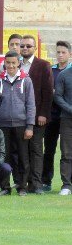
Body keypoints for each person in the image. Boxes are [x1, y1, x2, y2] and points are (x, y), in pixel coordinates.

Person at [0, 51, 35, 196]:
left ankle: (22, 186)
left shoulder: (26, 80)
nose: (10, 65)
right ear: (4, 63)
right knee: (5, 157)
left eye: (13, 63)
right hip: (3, 125)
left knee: (23, 157)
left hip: (21, 124)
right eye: (8, 62)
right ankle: (5, 187)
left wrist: (30, 125)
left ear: (19, 63)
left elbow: (30, 104)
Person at [19, 35, 53, 194]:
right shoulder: (15, 64)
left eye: (28, 46)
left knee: (36, 150)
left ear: (35, 48)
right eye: (23, 46)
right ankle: (23, 183)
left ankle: (37, 184)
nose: (25, 48)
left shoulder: (43, 65)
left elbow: (47, 92)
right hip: (19, 116)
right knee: (22, 151)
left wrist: (44, 114)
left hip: (38, 116)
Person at [44, 41, 72, 192]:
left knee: (67, 151)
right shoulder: (57, 72)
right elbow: (55, 95)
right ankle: (56, 182)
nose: (60, 55)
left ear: (70, 54)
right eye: (58, 52)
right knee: (57, 150)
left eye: (64, 52)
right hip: (58, 117)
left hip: (65, 117)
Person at [54, 52, 72, 196]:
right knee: (66, 153)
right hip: (67, 119)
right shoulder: (64, 75)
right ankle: (66, 184)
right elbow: (58, 97)